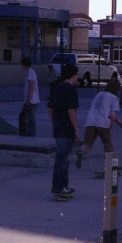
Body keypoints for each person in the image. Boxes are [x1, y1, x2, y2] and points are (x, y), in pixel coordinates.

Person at [48, 64, 81, 199]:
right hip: (67, 128)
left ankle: (64, 186)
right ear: (73, 75)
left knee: (64, 159)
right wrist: (76, 129)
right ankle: (58, 187)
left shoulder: (57, 88)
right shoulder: (71, 89)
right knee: (62, 159)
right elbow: (71, 111)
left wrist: (54, 122)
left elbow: (50, 107)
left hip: (58, 127)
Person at [76, 78, 122, 168]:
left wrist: (118, 121)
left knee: (88, 144)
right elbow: (112, 115)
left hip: (91, 122)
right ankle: (110, 166)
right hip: (103, 124)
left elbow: (102, 109)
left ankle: (81, 152)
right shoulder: (114, 98)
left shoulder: (99, 94)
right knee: (108, 144)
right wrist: (111, 127)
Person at [19, 57, 40, 137]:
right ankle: (29, 134)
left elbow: (31, 87)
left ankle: (30, 135)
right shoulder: (29, 72)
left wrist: (28, 100)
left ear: (24, 64)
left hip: (32, 101)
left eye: (22, 64)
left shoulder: (30, 72)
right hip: (32, 100)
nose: (21, 66)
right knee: (28, 118)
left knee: (30, 119)